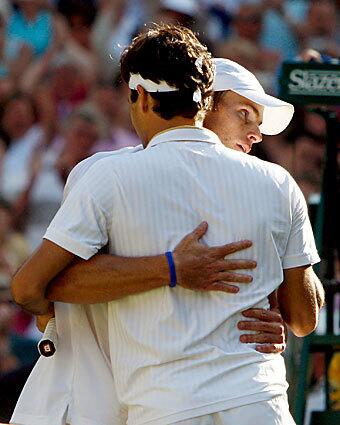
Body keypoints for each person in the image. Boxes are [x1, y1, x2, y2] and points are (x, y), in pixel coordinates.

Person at [11, 25, 323, 425]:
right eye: (244, 114)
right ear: (204, 103)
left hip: (171, 406)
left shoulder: (113, 176)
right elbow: (52, 291)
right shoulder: (277, 182)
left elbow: (303, 316)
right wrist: (172, 269)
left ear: (140, 96)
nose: (255, 135)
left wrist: (273, 301)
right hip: (200, 404)